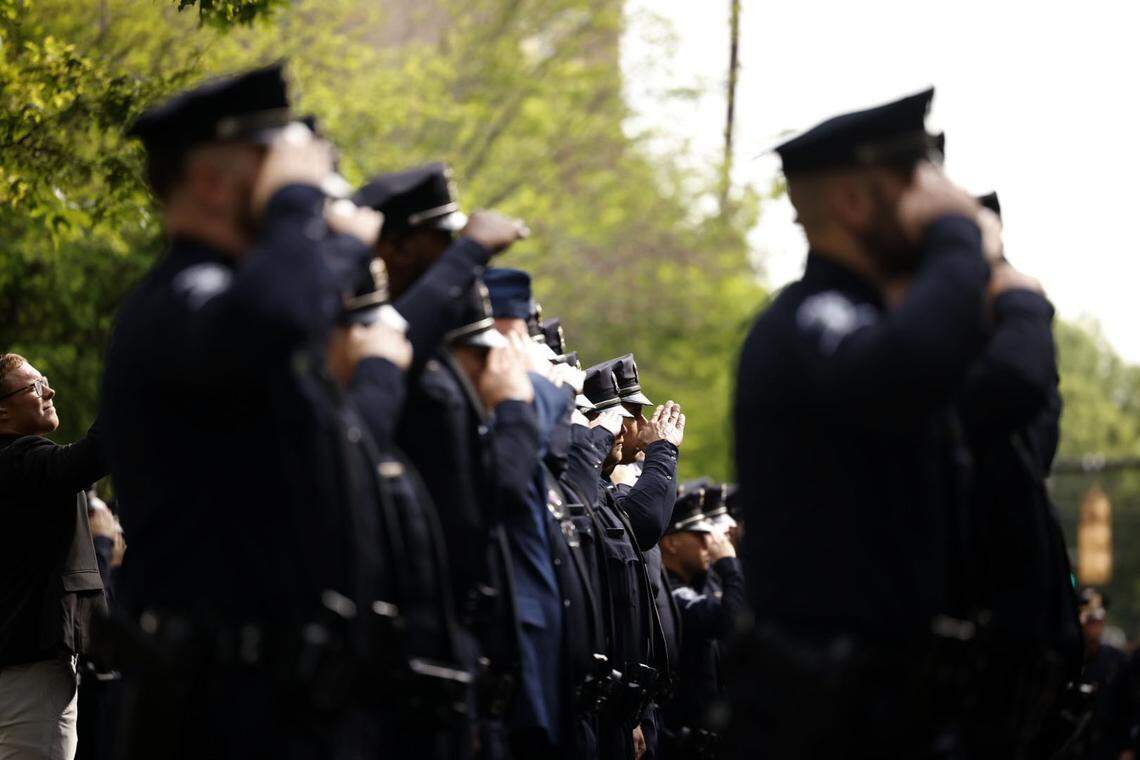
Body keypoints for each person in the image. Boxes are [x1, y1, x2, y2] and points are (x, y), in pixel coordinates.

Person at [100, 63, 411, 758]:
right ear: (212, 181)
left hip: (289, 709)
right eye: (275, 174)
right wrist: (300, 204)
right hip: (215, 713)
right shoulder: (181, 300)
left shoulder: (244, 311)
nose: (290, 197)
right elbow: (268, 320)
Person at [729, 87, 1000, 757]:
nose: (939, 199)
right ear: (854, 201)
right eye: (915, 183)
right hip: (826, 710)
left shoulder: (867, 320)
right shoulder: (810, 319)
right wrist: (960, 235)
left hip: (890, 702)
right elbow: (910, 365)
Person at [947, 190, 1083, 758]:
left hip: (1021, 636)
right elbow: (1016, 384)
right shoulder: (930, 353)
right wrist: (1022, 303)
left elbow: (1034, 402)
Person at [0, 354, 108, 760]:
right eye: (33, 386)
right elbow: (91, 456)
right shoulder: (18, 460)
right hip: (29, 677)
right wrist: (132, 381)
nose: (49, 390)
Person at [660, 487, 746, 759]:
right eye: (698, 535)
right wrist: (729, 565)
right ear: (671, 543)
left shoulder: (694, 586)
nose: (709, 542)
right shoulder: (673, 592)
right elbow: (731, 624)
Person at [1078, 589, 1135, 760]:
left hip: (1107, 747)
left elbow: (1129, 706)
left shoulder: (1116, 661)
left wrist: (1128, 747)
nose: (1094, 626)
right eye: (1089, 621)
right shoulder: (1068, 658)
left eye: (1097, 621)